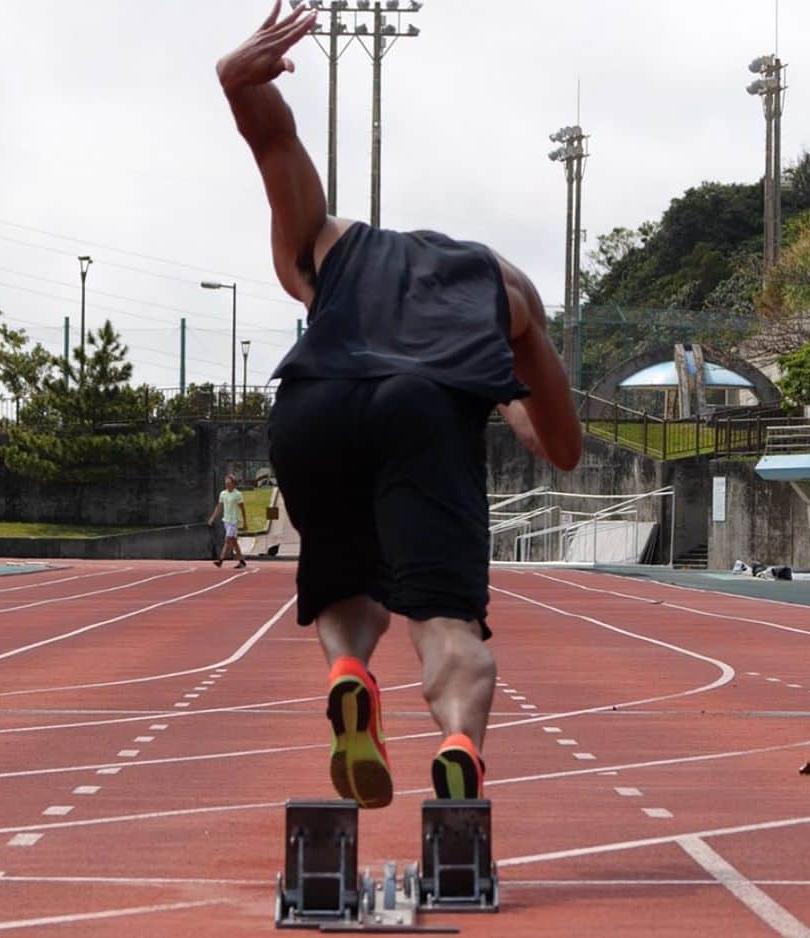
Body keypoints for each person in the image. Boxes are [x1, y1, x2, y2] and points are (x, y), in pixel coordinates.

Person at [216, 3, 582, 809]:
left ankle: (350, 673)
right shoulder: (507, 291)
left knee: (346, 583)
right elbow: (559, 445)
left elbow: (276, 145)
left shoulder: (331, 244)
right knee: (449, 625)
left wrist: (238, 82)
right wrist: (512, 398)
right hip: (421, 414)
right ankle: (457, 743)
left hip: (311, 407)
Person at [208, 473, 249, 568]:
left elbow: (242, 509)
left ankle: (220, 560)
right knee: (234, 542)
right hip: (226, 521)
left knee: (227, 540)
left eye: (229, 483)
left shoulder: (237, 494)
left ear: (233, 484)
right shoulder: (223, 494)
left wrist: (245, 522)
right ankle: (242, 561)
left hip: (234, 521)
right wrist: (213, 518)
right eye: (226, 483)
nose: (227, 485)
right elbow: (219, 507)